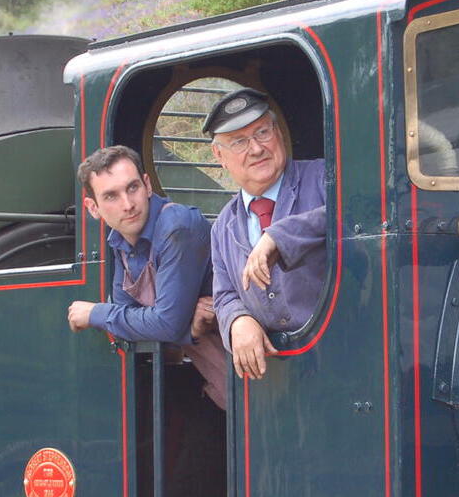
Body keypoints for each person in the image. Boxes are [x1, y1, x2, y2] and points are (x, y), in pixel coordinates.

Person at [67, 145, 226, 409]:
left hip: (257, 367)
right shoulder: (120, 240)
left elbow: (165, 323)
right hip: (216, 371)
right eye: (111, 196)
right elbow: (129, 323)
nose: (128, 205)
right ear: (93, 208)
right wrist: (191, 329)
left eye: (132, 188)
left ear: (147, 185)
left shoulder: (177, 228)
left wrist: (96, 314)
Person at [204, 89, 326, 381]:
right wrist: (238, 320)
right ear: (219, 156)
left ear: (279, 133)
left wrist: (278, 237)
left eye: (262, 132)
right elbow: (224, 296)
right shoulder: (222, 227)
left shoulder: (325, 177)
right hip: (275, 383)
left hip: (343, 361)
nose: (256, 149)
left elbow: (352, 213)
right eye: (239, 142)